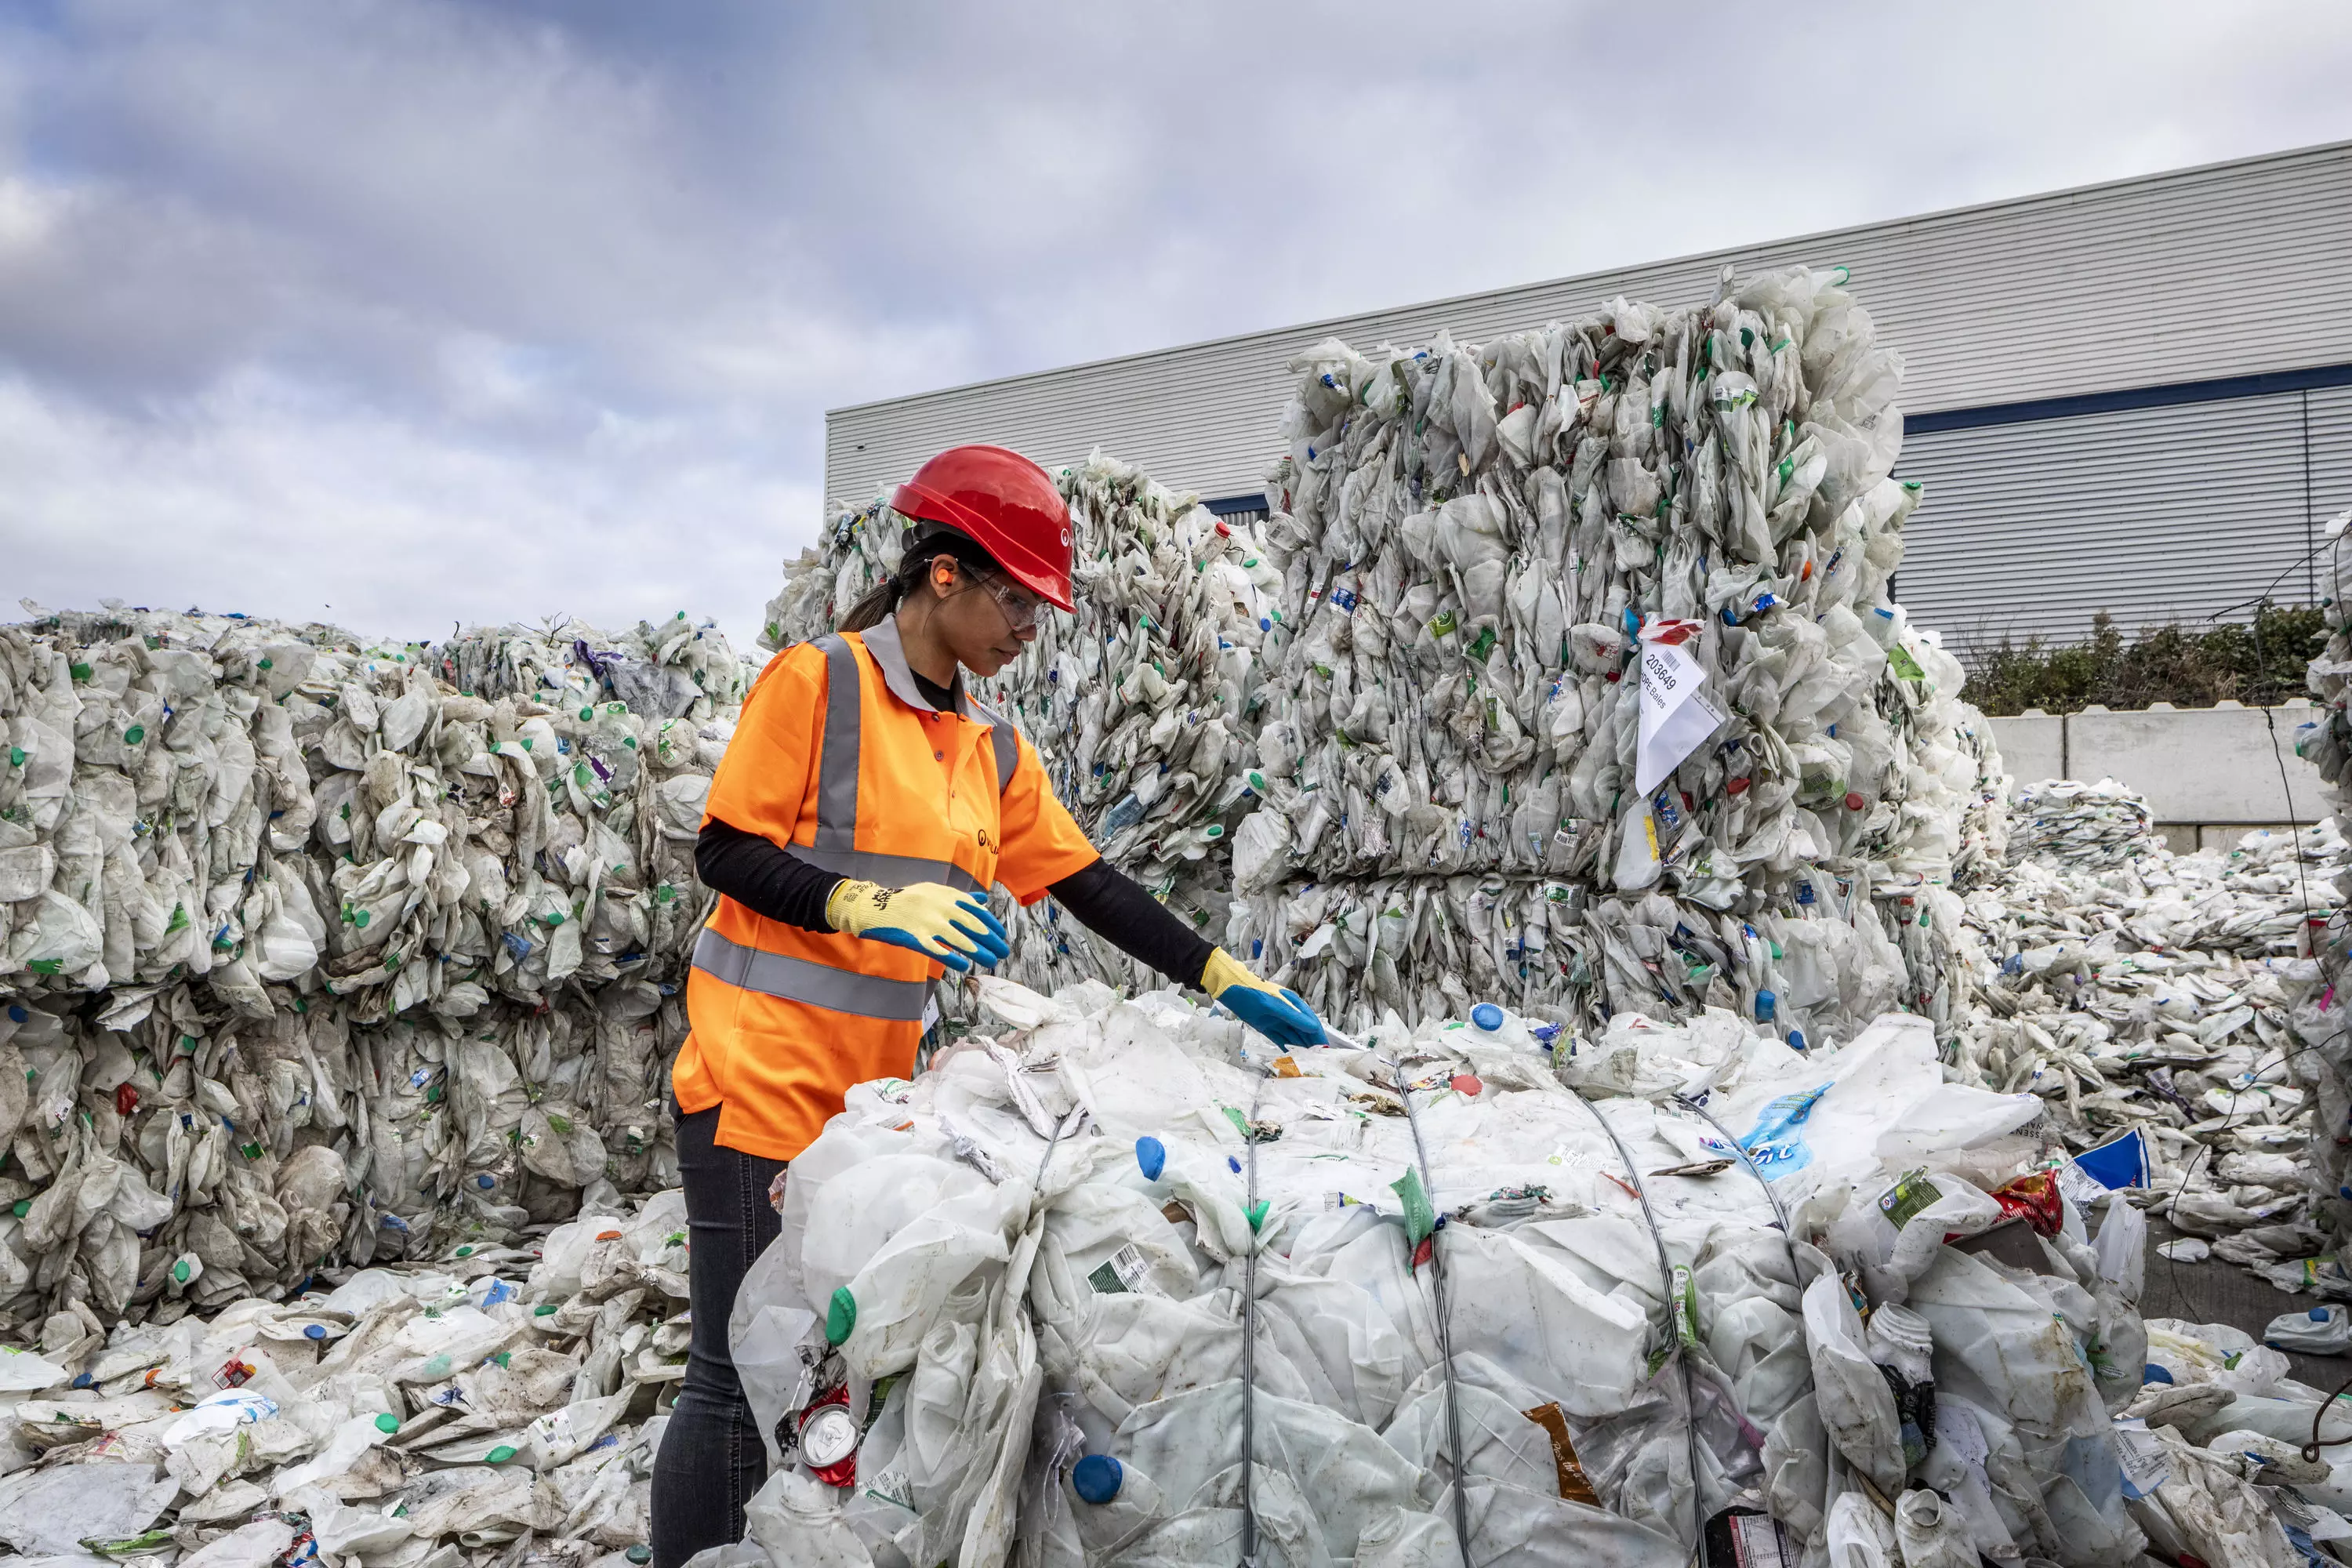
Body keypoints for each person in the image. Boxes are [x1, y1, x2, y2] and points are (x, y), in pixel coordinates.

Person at [648, 444, 1325, 1567]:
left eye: (1042, 609)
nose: (1030, 629)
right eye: (1017, 599)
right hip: (755, 1083)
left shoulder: (988, 745)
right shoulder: (816, 683)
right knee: (730, 1378)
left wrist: (1220, 974)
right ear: (946, 576)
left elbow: (1082, 879)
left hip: (867, 1107)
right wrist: (862, 902)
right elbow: (724, 847)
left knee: (821, 1367)